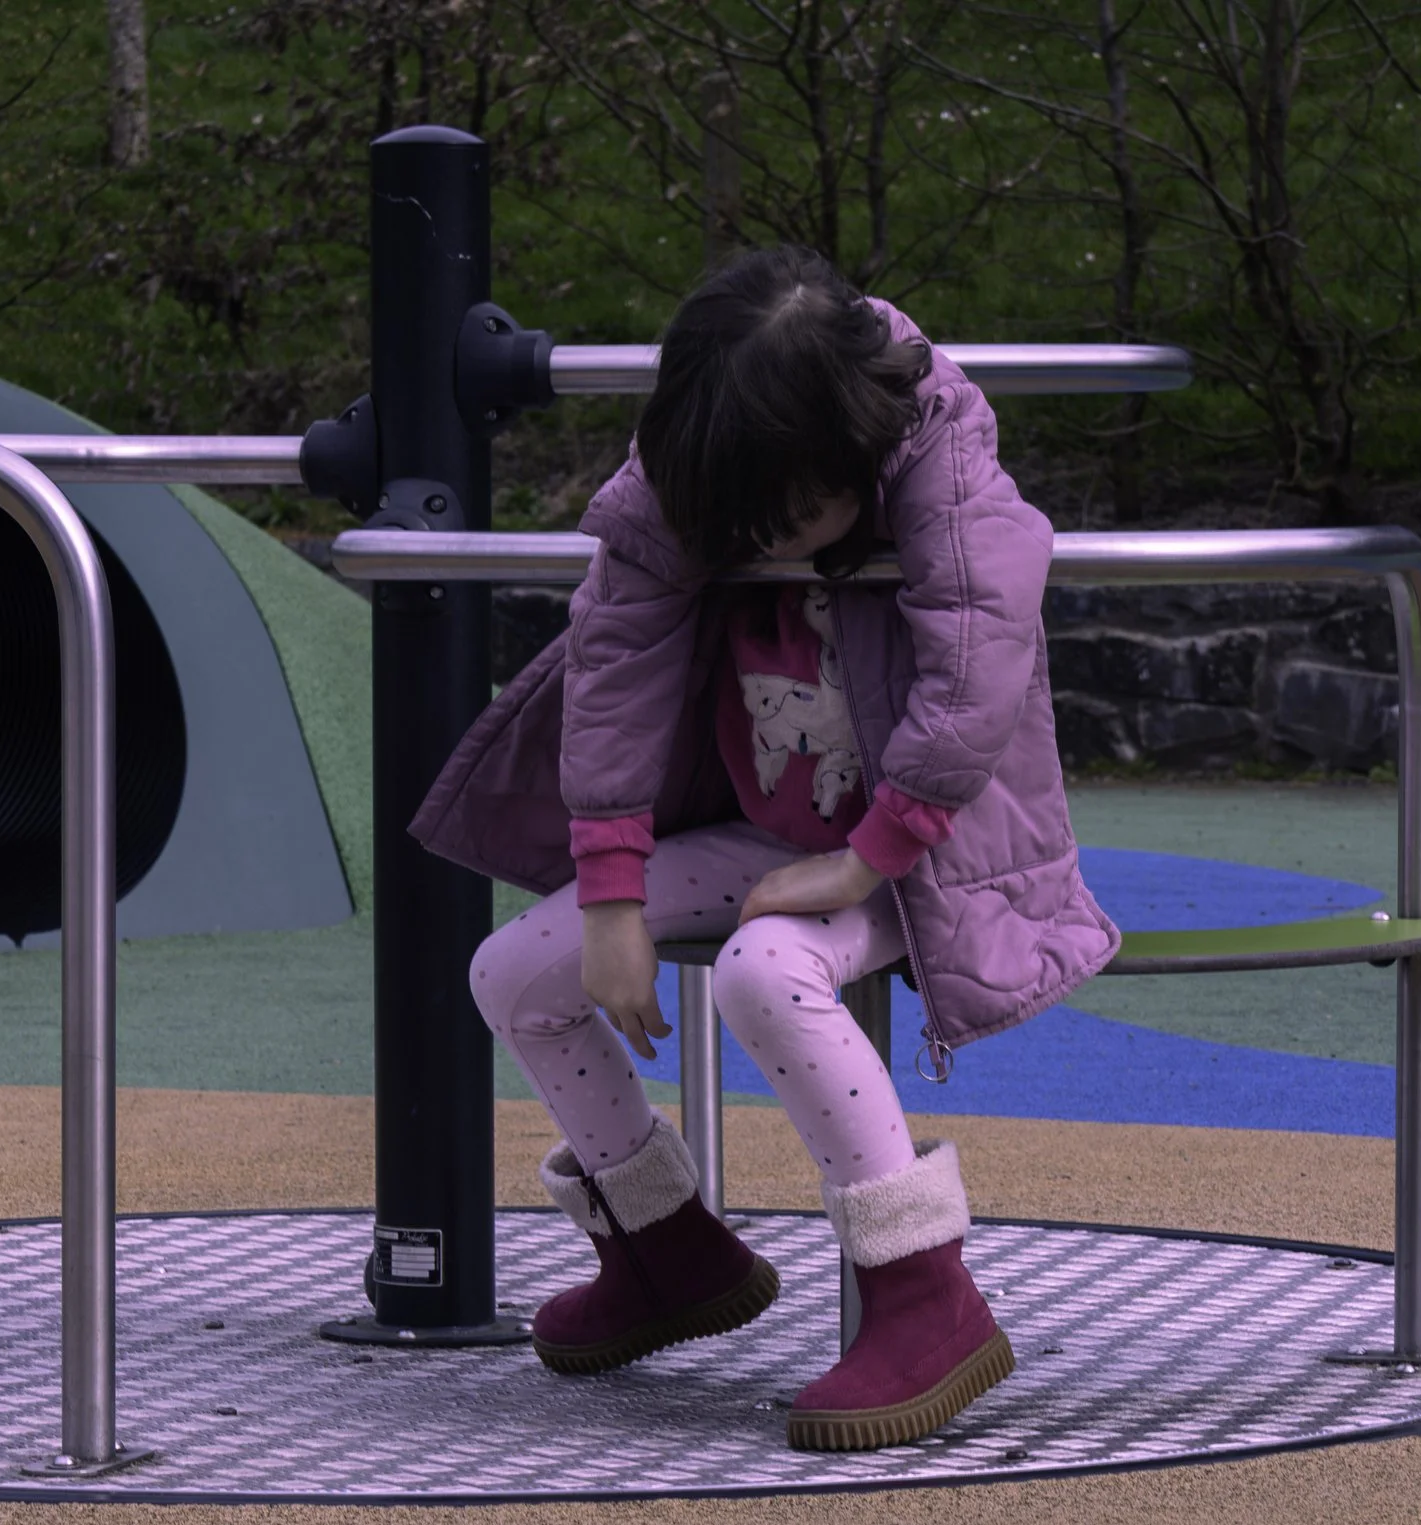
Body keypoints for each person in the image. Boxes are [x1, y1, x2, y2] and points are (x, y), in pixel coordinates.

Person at [409, 246, 1119, 1452]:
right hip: (767, 820)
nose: (765, 544)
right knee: (516, 975)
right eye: (739, 530)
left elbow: (975, 659)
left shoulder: (937, 452)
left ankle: (924, 1292)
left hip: (921, 849)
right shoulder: (685, 471)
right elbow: (618, 666)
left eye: (789, 523)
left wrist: (867, 859)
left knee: (759, 973)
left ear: (853, 453)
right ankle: (667, 1248)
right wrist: (612, 895)